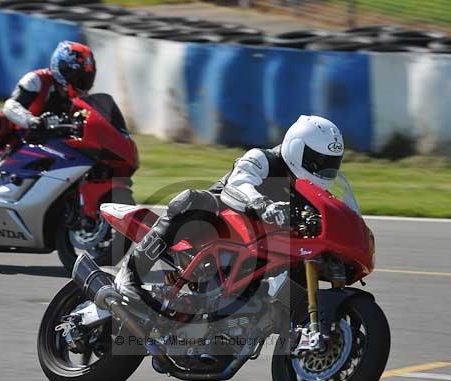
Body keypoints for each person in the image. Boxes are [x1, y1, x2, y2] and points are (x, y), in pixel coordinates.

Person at [115, 114, 345, 300]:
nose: (324, 171)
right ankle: (130, 274)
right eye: (318, 163)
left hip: (263, 249)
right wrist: (261, 203)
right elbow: (239, 183)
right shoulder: (262, 158)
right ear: (297, 149)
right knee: (193, 199)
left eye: (331, 165)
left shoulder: (313, 190)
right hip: (218, 226)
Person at [0, 41, 96, 195]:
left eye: (86, 77)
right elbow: (11, 105)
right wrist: (31, 121)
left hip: (50, 142)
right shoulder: (37, 79)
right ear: (63, 69)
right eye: (79, 76)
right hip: (16, 135)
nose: (82, 82)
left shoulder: (80, 99)